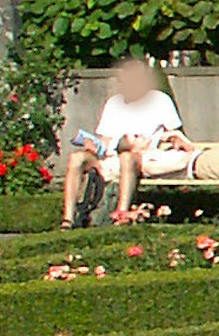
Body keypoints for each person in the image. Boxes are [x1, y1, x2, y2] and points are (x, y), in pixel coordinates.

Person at [62, 57, 197, 226]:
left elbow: (174, 132)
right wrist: (93, 145)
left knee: (127, 156)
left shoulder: (160, 100)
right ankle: (68, 218)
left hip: (140, 156)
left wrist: (174, 141)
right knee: (77, 158)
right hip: (110, 158)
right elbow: (105, 139)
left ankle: (122, 214)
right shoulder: (114, 103)